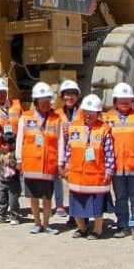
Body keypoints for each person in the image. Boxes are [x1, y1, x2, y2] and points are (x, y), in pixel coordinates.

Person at [103, 82, 134, 240]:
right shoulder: (107, 117)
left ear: (132, 100)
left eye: (128, 100)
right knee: (121, 197)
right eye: (121, 100)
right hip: (117, 166)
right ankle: (123, 224)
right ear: (115, 101)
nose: (124, 103)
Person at [61, 94, 115, 240]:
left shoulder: (104, 129)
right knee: (76, 204)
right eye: (85, 111)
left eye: (91, 112)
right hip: (77, 174)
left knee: (96, 205)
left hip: (97, 175)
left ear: (98, 113)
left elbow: (109, 152)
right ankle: (82, 228)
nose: (88, 115)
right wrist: (65, 166)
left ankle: (97, 230)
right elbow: (69, 149)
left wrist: (109, 171)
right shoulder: (74, 127)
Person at [17, 81, 63, 235]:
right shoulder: (26, 117)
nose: (45, 104)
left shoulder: (57, 119)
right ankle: (37, 223)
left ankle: (46, 224)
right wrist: (18, 159)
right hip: (31, 164)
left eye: (47, 101)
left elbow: (61, 141)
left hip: (48, 164)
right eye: (42, 102)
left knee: (47, 197)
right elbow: (20, 139)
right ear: (36, 102)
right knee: (33, 196)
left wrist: (60, 162)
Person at [53, 79, 81, 219]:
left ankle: (76, 210)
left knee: (74, 181)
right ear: (62, 97)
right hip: (61, 150)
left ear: (77, 96)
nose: (69, 97)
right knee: (57, 178)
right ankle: (59, 205)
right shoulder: (57, 113)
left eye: (73, 94)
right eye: (67, 94)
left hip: (77, 152)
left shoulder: (83, 112)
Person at [0, 130, 21, 225]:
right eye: (2, 144)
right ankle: (1, 216)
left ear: (12, 145)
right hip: (2, 181)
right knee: (1, 200)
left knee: (13, 201)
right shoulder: (0, 153)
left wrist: (9, 161)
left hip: (13, 182)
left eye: (5, 145)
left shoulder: (15, 154)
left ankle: (14, 216)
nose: (3, 147)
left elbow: (17, 166)